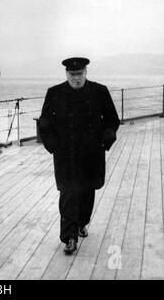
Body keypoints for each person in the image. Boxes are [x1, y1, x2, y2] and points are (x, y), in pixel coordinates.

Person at [38, 57, 120, 254]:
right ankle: (69, 237)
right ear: (67, 74)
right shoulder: (54, 93)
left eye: (80, 74)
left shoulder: (100, 91)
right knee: (68, 194)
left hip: (91, 153)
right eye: (72, 75)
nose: (76, 79)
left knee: (87, 191)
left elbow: (112, 119)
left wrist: (105, 140)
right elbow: (44, 124)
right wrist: (53, 146)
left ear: (86, 73)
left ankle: (82, 223)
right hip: (66, 154)